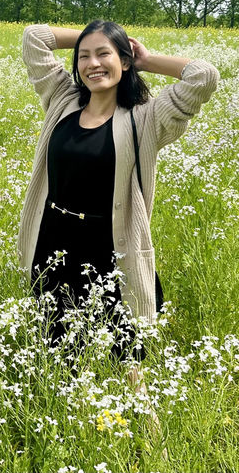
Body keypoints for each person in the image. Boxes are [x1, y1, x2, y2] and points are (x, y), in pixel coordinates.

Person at [17, 21, 219, 357]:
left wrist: (145, 57)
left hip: (109, 244)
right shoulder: (62, 100)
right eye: (84, 56)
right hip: (53, 239)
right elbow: (34, 38)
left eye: (103, 54)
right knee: (60, 346)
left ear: (123, 61)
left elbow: (204, 76)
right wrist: (95, 34)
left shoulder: (146, 118)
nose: (92, 63)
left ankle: (141, 408)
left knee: (125, 352)